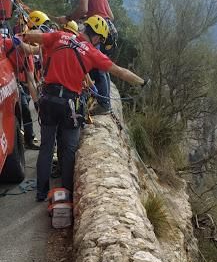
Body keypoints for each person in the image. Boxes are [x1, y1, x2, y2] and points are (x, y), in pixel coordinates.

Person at [23, 15, 147, 202]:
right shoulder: (91, 52)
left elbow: (31, 37)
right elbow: (119, 71)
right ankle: (66, 195)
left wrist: (26, 32)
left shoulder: (59, 36)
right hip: (69, 105)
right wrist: (142, 82)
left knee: (47, 148)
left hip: (48, 99)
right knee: (69, 150)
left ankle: (41, 193)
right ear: (96, 37)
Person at [57, 0, 116, 114]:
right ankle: (104, 101)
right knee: (102, 66)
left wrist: (68, 18)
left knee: (94, 66)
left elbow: (83, 8)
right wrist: (90, 17)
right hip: (106, 28)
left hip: (96, 29)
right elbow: (110, 15)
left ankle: (103, 104)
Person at [3, 34, 40, 149]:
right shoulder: (8, 44)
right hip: (4, 79)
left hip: (13, 82)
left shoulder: (27, 59)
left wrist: (37, 103)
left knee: (24, 108)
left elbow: (31, 81)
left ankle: (28, 139)